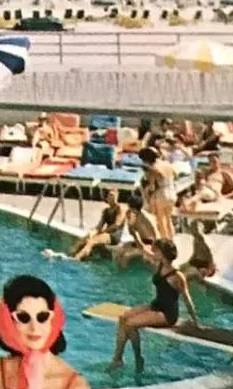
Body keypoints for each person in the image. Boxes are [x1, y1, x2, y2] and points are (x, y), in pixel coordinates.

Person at [111, 238, 200, 373]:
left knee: (130, 324)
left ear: (163, 253)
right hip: (156, 305)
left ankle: (138, 359)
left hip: (167, 313)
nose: (154, 252)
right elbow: (144, 250)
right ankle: (117, 359)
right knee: (123, 318)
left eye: (157, 250)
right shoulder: (159, 265)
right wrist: (136, 236)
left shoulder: (177, 276)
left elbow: (187, 299)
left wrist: (195, 321)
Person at [70, 190, 124, 261]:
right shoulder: (106, 211)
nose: (111, 197)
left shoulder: (120, 209)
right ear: (107, 198)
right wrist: (92, 232)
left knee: (93, 241)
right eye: (110, 195)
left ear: (117, 197)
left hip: (114, 235)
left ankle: (77, 258)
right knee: (85, 238)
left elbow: (116, 225)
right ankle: (71, 254)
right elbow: (99, 226)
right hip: (106, 233)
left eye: (113, 195)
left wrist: (102, 232)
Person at [139, 147, 177, 241]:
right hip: (172, 192)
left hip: (162, 194)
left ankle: (165, 241)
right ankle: (172, 240)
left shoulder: (153, 168)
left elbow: (151, 186)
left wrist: (146, 193)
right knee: (168, 219)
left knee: (161, 220)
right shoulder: (167, 164)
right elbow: (176, 175)